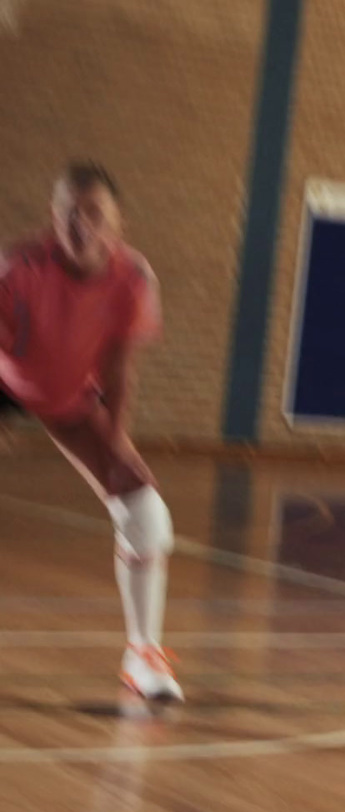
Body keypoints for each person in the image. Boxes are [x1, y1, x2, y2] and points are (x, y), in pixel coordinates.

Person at [0, 161, 180, 702]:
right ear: (53, 219)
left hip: (68, 397)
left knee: (147, 513)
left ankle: (142, 655)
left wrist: (117, 448)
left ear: (117, 223)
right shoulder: (16, 270)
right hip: (6, 378)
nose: (81, 225)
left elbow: (122, 372)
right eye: (68, 214)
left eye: (94, 214)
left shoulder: (134, 278)